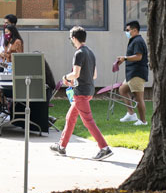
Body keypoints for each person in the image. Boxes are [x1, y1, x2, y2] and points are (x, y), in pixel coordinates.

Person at [51, 26, 113, 161]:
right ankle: (61, 146)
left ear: (74, 38)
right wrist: (76, 81)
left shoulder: (79, 53)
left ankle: (104, 148)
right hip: (88, 90)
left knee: (88, 121)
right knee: (70, 117)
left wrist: (65, 78)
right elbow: (94, 75)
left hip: (81, 93)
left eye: (71, 38)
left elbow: (76, 73)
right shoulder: (90, 53)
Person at [117, 20, 149, 126]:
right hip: (131, 73)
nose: (126, 32)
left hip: (137, 73)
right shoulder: (134, 40)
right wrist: (123, 59)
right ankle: (131, 114)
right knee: (122, 90)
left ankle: (143, 121)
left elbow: (138, 57)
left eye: (128, 30)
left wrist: (125, 58)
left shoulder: (138, 41)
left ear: (135, 30)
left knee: (138, 98)